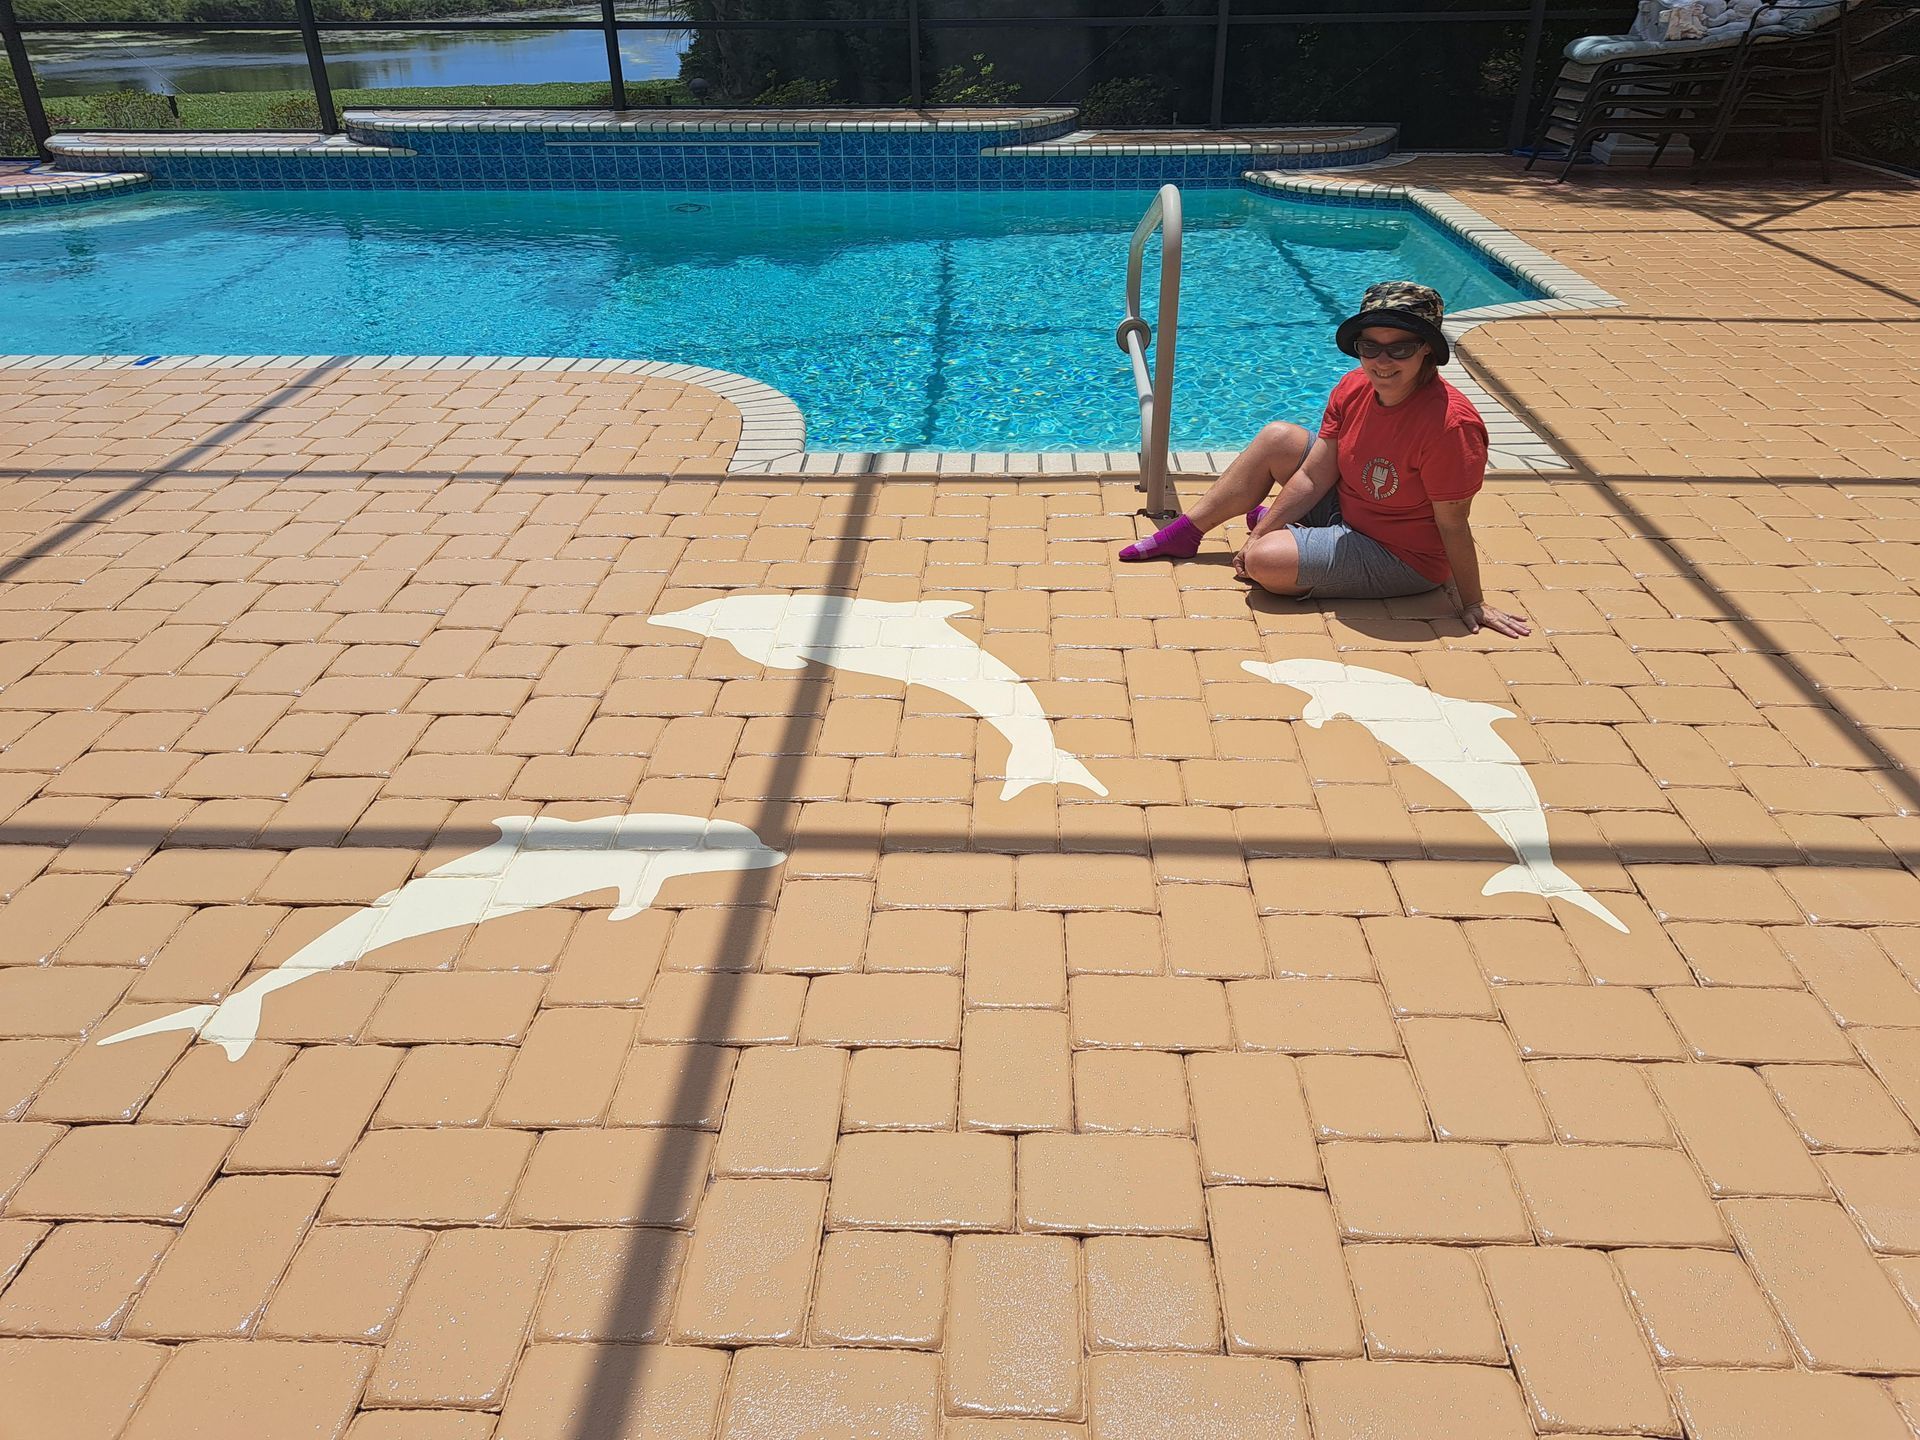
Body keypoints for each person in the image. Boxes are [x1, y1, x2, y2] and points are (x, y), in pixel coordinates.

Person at [1119, 280, 1531, 639]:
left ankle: (1291, 534)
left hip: (1401, 554)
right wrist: (1264, 529)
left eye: (1400, 348)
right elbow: (1314, 476)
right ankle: (1188, 532)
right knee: (1279, 438)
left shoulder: (1450, 427)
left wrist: (1472, 601)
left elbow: (1453, 524)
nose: (1382, 362)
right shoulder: (1354, 386)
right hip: (1348, 510)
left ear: (1426, 349)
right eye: (1370, 346)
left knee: (1264, 563)